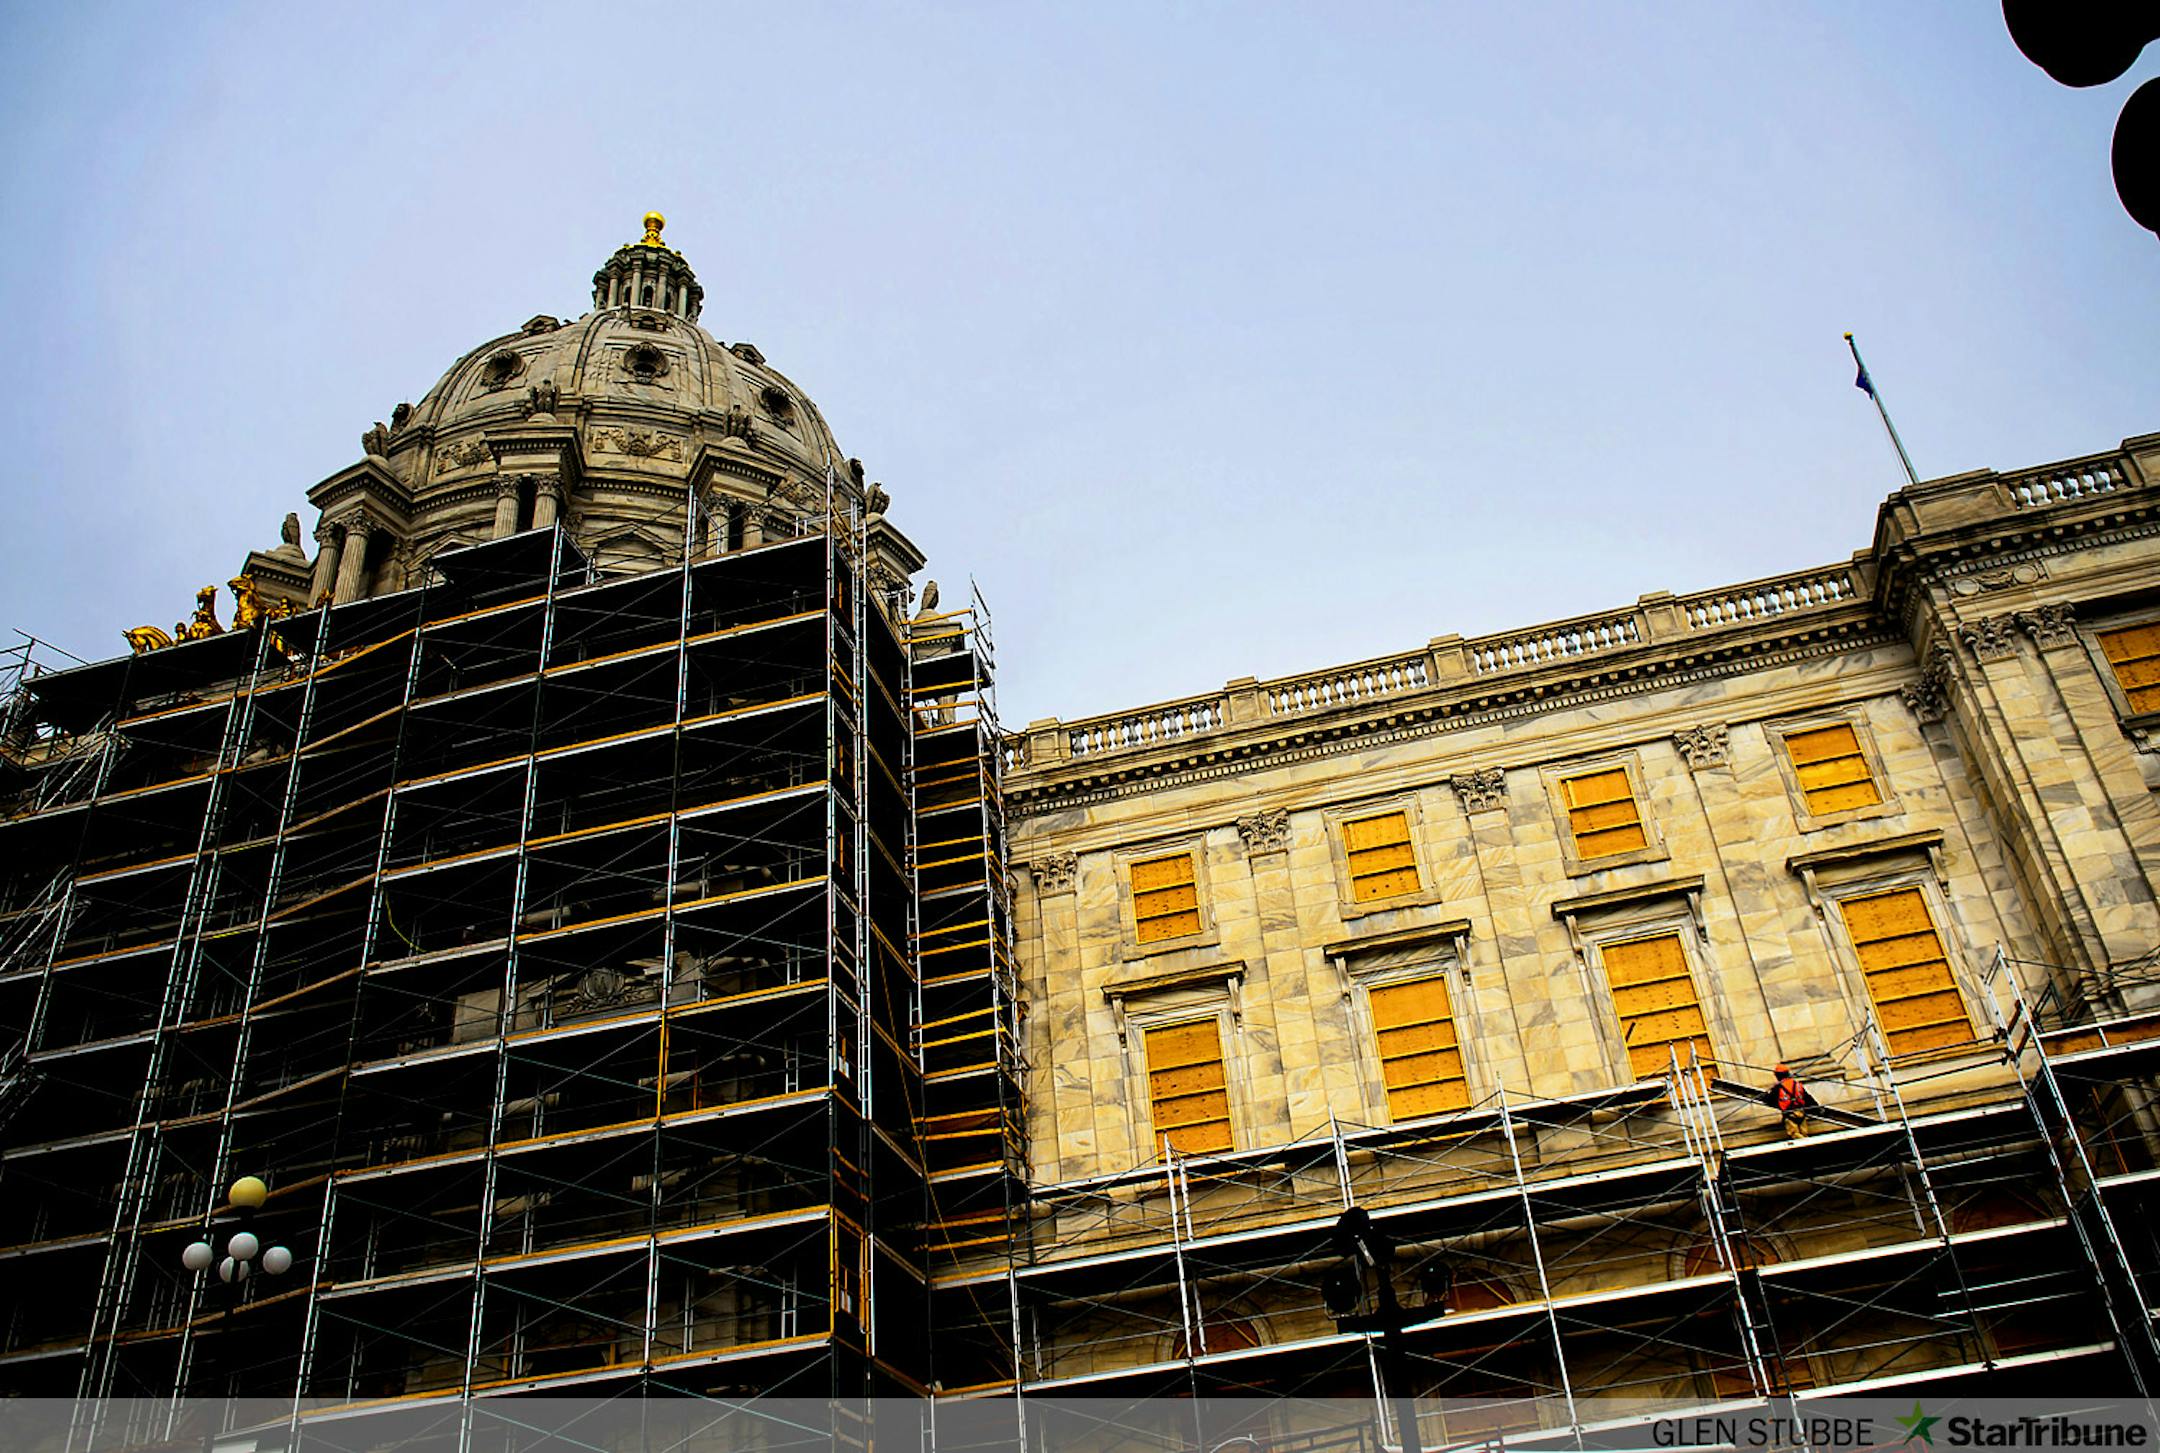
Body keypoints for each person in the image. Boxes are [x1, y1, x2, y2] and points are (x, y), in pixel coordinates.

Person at [1770, 1063, 1811, 1140]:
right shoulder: (1797, 1084)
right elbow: (1807, 1097)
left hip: (1789, 1113)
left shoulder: (1778, 1088)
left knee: (1794, 1134)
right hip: (1801, 1112)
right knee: (1804, 1133)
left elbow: (1769, 1100)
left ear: (1777, 1075)